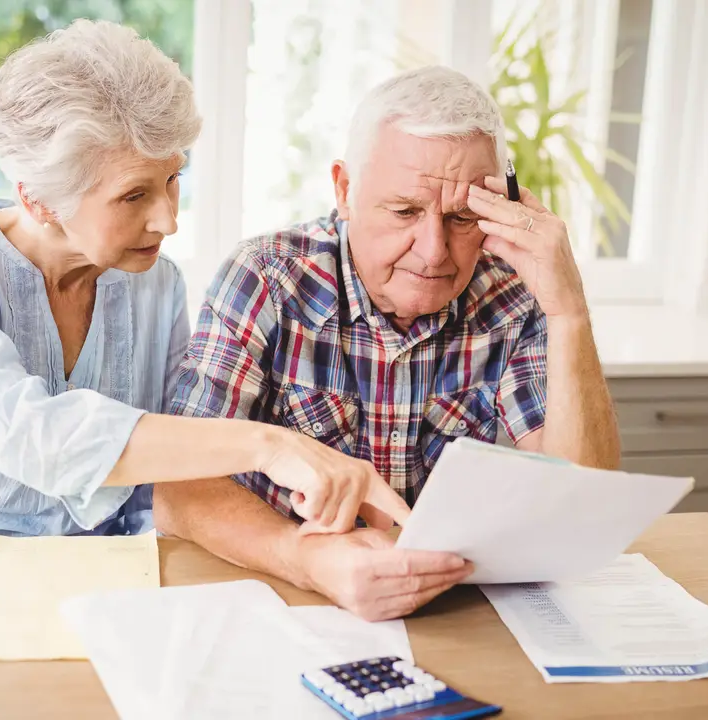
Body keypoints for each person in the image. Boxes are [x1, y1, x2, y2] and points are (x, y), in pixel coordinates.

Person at [0, 20, 408, 549]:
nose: (168, 219)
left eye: (173, 179)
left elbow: (160, 476)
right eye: (134, 195)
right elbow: (28, 435)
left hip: (72, 582)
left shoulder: (155, 285)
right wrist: (272, 445)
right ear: (38, 197)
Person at [156, 66, 621, 620]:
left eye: (462, 216)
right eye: (404, 211)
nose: (433, 252)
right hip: (283, 598)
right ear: (345, 190)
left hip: (446, 611)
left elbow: (581, 502)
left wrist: (568, 310)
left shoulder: (513, 293)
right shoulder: (266, 276)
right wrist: (309, 561)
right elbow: (178, 490)